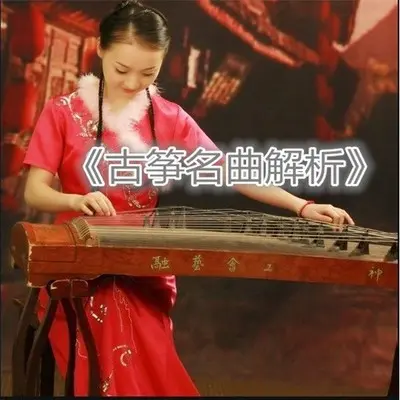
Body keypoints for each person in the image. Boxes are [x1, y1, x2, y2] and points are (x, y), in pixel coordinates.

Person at [23, 0, 355, 396]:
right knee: (108, 323)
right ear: (101, 48)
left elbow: (229, 170)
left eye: (148, 72)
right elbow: (35, 190)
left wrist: (302, 206)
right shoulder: (62, 112)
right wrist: (75, 202)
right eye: (122, 70)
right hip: (76, 265)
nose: (132, 83)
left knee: (139, 340)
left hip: (139, 266)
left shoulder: (169, 117)